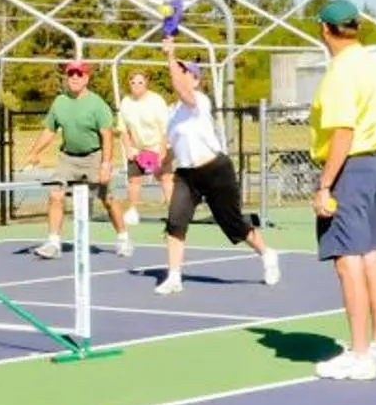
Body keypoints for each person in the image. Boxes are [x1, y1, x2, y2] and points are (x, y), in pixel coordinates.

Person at [307, 0, 376, 379]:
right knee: (372, 255)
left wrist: (326, 185)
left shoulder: (342, 71)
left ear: (325, 30)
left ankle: (360, 355)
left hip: (352, 168)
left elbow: (343, 130)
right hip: (375, 164)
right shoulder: (371, 65)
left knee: (349, 261)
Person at [154, 47, 278, 294]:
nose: (178, 75)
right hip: (187, 176)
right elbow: (173, 146)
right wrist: (161, 165)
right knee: (175, 223)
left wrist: (170, 56)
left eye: (184, 72)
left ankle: (267, 253)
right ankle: (174, 276)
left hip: (215, 170)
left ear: (196, 79)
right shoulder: (172, 113)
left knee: (232, 224)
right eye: (178, 71)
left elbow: (182, 90)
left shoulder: (198, 101)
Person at [20, 60, 130, 259]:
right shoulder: (59, 102)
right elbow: (49, 130)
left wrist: (106, 164)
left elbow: (107, 136)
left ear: (86, 78)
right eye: (71, 74)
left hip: (94, 157)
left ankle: (123, 238)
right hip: (67, 158)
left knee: (107, 199)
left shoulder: (97, 104)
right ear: (67, 77)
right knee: (55, 195)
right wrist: (34, 151)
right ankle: (53, 243)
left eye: (79, 75)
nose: (75, 78)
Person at [116, 67, 171, 225]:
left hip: (158, 144)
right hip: (137, 148)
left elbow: (165, 128)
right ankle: (132, 210)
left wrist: (161, 151)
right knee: (134, 179)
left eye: (140, 82)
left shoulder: (156, 101)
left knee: (165, 177)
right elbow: (123, 129)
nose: (136, 85)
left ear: (146, 83)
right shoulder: (126, 102)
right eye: (133, 82)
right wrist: (128, 149)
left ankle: (173, 212)